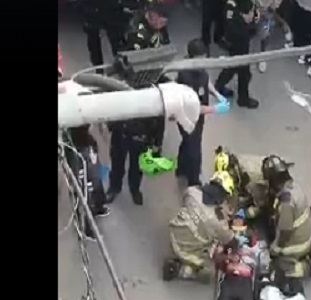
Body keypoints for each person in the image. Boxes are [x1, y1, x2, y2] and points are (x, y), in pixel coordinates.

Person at [107, 2, 171, 206]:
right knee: (118, 155)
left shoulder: (160, 30)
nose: (162, 23)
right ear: (151, 15)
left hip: (146, 103)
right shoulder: (137, 34)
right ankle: (114, 187)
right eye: (160, 19)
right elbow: (132, 66)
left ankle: (134, 188)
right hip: (127, 101)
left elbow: (165, 49)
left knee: (138, 158)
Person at [164, 172, 241, 281]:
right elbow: (231, 240)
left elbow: (185, 202)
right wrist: (235, 249)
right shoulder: (218, 222)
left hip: (175, 230)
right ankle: (179, 269)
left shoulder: (192, 192)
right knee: (209, 272)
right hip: (185, 248)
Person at [175, 39, 230, 187]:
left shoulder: (199, 68)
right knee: (194, 149)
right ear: (193, 57)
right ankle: (194, 182)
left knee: (188, 143)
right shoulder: (186, 76)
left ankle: (181, 169)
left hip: (199, 116)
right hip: (189, 117)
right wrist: (215, 109)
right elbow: (193, 107)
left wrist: (217, 94)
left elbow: (206, 80)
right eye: (201, 58)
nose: (203, 61)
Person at [262, 155, 311, 295]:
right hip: (302, 234)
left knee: (278, 267)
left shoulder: (286, 203)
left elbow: (285, 232)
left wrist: (275, 249)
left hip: (294, 244)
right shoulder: (293, 187)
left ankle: (307, 266)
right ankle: (307, 252)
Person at [63, 125, 111, 241]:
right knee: (84, 192)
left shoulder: (86, 136)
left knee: (96, 181)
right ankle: (88, 229)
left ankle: (99, 205)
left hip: (87, 149)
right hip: (78, 153)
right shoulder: (71, 143)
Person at [214, 0, 260, 109]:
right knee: (243, 70)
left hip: (243, 39)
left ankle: (219, 85)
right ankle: (243, 98)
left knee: (234, 66)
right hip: (236, 41)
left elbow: (252, 10)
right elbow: (232, 27)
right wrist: (246, 22)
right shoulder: (231, 6)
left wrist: (254, 17)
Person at [78, 0, 131, 71]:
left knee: (118, 44)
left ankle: (125, 70)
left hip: (113, 11)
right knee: (94, 43)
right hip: (93, 9)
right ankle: (99, 71)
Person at [256, 0, 294, 73]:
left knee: (268, 27)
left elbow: (274, 7)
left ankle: (262, 55)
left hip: (271, 10)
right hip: (259, 8)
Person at [290, 0, 311, 64]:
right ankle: (300, 48)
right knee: (301, 28)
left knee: (309, 32)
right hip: (302, 6)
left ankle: (306, 53)